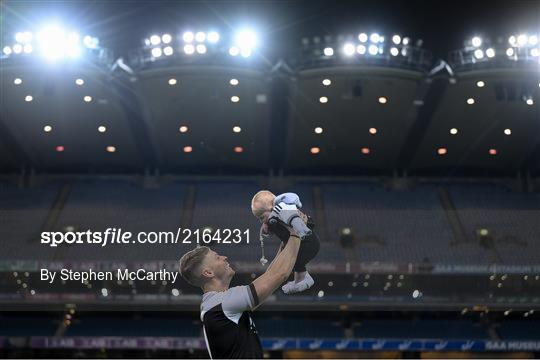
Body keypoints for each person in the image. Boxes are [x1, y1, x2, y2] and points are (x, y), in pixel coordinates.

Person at [179, 215, 302, 359]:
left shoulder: (216, 303)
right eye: (217, 257)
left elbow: (271, 274)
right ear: (208, 272)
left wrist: (286, 240)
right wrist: (296, 232)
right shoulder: (223, 303)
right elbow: (279, 274)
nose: (224, 257)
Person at [251, 190, 320, 294]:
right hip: (302, 244)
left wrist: (303, 225)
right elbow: (270, 230)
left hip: (309, 244)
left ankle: (303, 279)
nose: (262, 221)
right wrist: (265, 227)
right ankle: (300, 278)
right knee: (290, 260)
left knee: (294, 260)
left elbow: (306, 221)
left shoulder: (284, 212)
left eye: (262, 217)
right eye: (259, 219)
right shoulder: (273, 219)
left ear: (271, 208)